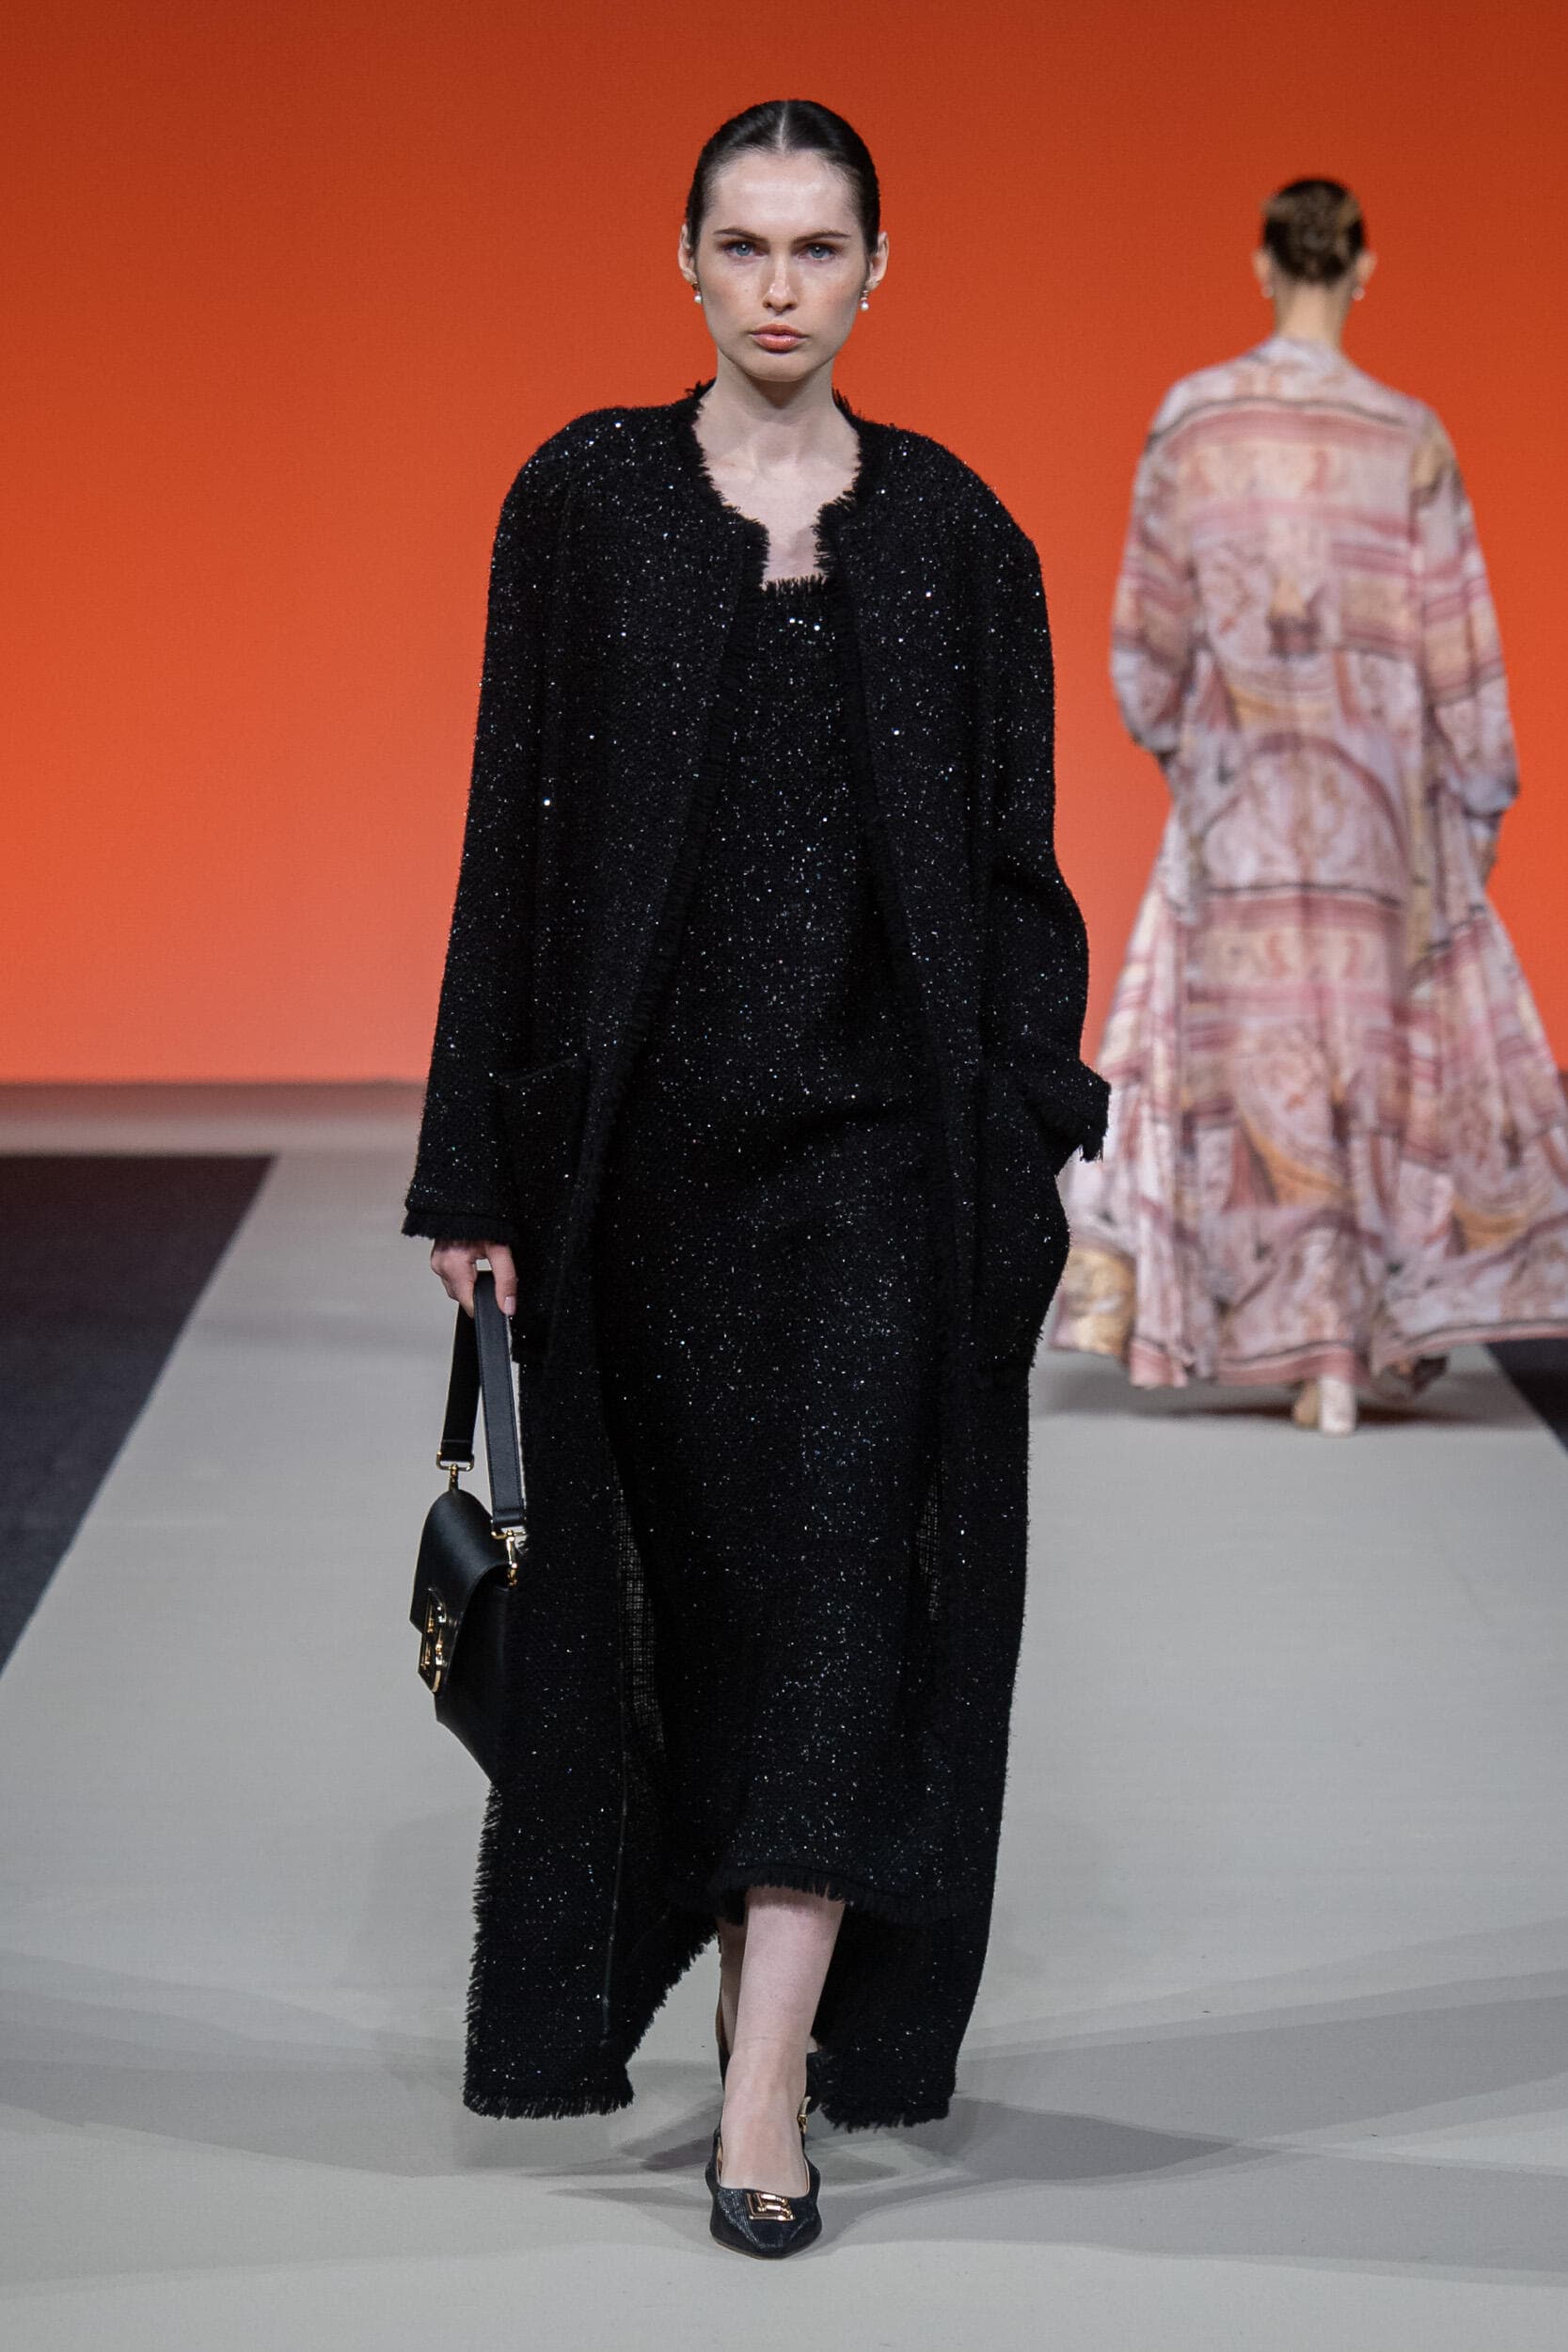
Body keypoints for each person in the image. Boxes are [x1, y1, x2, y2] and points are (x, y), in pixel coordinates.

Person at [403, 99, 1105, 2254]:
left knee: (839, 1604)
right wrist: (473, 1158)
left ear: (880, 270)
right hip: (643, 1173)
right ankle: (739, 1995)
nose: (781, 285)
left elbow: (1012, 875)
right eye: (746, 244)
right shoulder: (586, 502)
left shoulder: (960, 536)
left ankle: (768, 2080)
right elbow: (510, 841)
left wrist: (1025, 1128)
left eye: (818, 247)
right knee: (690, 1611)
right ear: (685, 262)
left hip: (884, 1168)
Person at [1053, 179, 1568, 1435]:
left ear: (1261, 263)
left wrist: (1198, 752)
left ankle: (1297, 1346)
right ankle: (1344, 1353)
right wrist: (1473, 809)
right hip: (1379, 812)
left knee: (1249, 1061)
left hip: (1241, 800)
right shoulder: (1408, 436)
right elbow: (1460, 650)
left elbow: (1145, 645)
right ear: (1364, 268)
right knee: (1362, 1057)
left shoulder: (1195, 423)